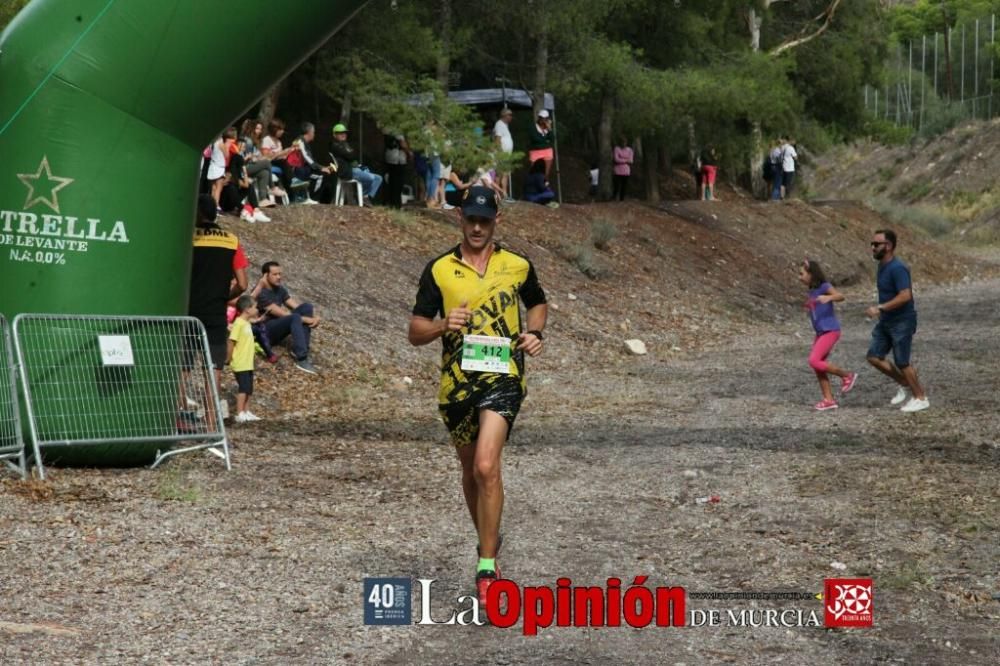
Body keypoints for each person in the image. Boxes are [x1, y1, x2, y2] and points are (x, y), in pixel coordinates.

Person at [409, 185, 547, 611]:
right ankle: (489, 537)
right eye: (470, 218)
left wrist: (535, 333)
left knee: (488, 464)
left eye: (484, 220)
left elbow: (538, 304)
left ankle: (487, 566)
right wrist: (443, 325)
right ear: (460, 218)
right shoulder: (439, 270)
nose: (476, 226)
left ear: (496, 222)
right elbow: (415, 331)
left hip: (504, 375)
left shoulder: (517, 265)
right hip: (457, 384)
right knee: (471, 472)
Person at [187, 194, 243, 428]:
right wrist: (223, 298)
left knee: (182, 369)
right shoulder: (231, 240)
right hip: (216, 314)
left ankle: (174, 420)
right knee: (214, 370)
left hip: (188, 310)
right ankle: (211, 424)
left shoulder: (188, 238)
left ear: (198, 213)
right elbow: (243, 284)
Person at [865, 229, 929, 412]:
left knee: (902, 362)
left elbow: (905, 295)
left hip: (902, 321)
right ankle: (904, 382)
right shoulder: (882, 266)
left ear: (889, 246)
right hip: (886, 321)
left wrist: (880, 308)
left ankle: (921, 397)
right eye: (872, 244)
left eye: (876, 244)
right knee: (873, 357)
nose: (872, 247)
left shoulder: (898, 268)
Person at [799, 259, 858, 411]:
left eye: (802, 274)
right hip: (820, 332)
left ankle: (847, 375)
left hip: (830, 330)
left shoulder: (824, 286)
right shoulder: (811, 291)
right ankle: (828, 400)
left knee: (813, 360)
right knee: (819, 366)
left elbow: (840, 296)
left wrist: (829, 297)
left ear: (811, 274)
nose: (800, 277)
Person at [255, 261, 320, 375]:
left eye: (280, 274)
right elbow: (282, 314)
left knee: (306, 307)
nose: (279, 277)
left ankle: (300, 350)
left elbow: (296, 306)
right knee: (294, 317)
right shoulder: (260, 293)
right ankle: (301, 358)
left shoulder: (280, 289)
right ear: (265, 276)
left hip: (278, 326)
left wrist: (315, 317)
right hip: (265, 332)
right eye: (275, 274)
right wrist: (306, 320)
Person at [227, 295, 261, 423]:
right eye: (255, 307)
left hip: (248, 363)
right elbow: (231, 341)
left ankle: (247, 411)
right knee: (243, 387)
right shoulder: (238, 323)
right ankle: (240, 412)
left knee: (249, 388)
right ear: (247, 309)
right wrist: (229, 358)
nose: (257, 309)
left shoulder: (246, 323)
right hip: (240, 362)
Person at [331, 123, 382, 205]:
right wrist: (351, 154)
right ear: (334, 135)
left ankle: (365, 196)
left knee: (378, 178)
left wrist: (359, 165)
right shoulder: (335, 145)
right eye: (340, 133)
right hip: (347, 172)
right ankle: (362, 196)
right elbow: (351, 156)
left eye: (344, 133)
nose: (343, 134)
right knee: (371, 178)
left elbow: (353, 157)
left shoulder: (344, 144)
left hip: (353, 169)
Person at [384, 132, 412, 209]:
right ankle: (396, 204)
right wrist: (409, 153)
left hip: (390, 157)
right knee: (398, 183)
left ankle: (393, 203)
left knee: (393, 182)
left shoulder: (388, 130)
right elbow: (402, 144)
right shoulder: (397, 130)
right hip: (397, 159)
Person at [493, 107, 514, 200]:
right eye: (510, 115)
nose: (511, 117)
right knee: (499, 175)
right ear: (504, 115)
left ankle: (504, 194)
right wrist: (500, 154)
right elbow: (497, 139)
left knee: (505, 174)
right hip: (502, 155)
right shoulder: (499, 124)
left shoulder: (505, 125)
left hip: (507, 155)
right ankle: (496, 194)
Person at [527, 109, 555, 181]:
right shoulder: (532, 127)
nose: (543, 120)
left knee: (546, 174)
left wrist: (549, 129)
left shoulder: (548, 128)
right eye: (541, 118)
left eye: (545, 118)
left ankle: (545, 187)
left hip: (547, 152)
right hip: (535, 152)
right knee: (534, 173)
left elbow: (552, 139)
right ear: (539, 118)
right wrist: (546, 140)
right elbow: (536, 139)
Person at [612, 136, 633, 202]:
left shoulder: (629, 150)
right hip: (618, 170)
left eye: (624, 142)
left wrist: (622, 159)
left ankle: (622, 199)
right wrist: (626, 160)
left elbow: (631, 161)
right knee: (616, 185)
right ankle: (614, 197)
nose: (623, 144)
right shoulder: (617, 149)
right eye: (622, 142)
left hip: (626, 171)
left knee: (624, 186)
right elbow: (616, 159)